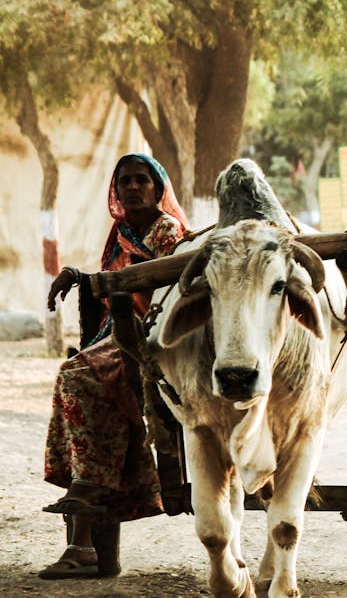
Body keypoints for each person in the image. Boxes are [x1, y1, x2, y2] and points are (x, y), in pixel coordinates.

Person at [38, 153, 189, 580]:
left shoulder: (168, 231)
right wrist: (82, 278)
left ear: (159, 189)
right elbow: (112, 284)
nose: (133, 187)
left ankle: (84, 527)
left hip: (159, 333)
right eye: (125, 181)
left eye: (143, 180)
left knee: (79, 375)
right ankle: (84, 540)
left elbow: (160, 286)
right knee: (80, 376)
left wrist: (98, 283)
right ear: (116, 191)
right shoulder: (121, 233)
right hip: (118, 332)